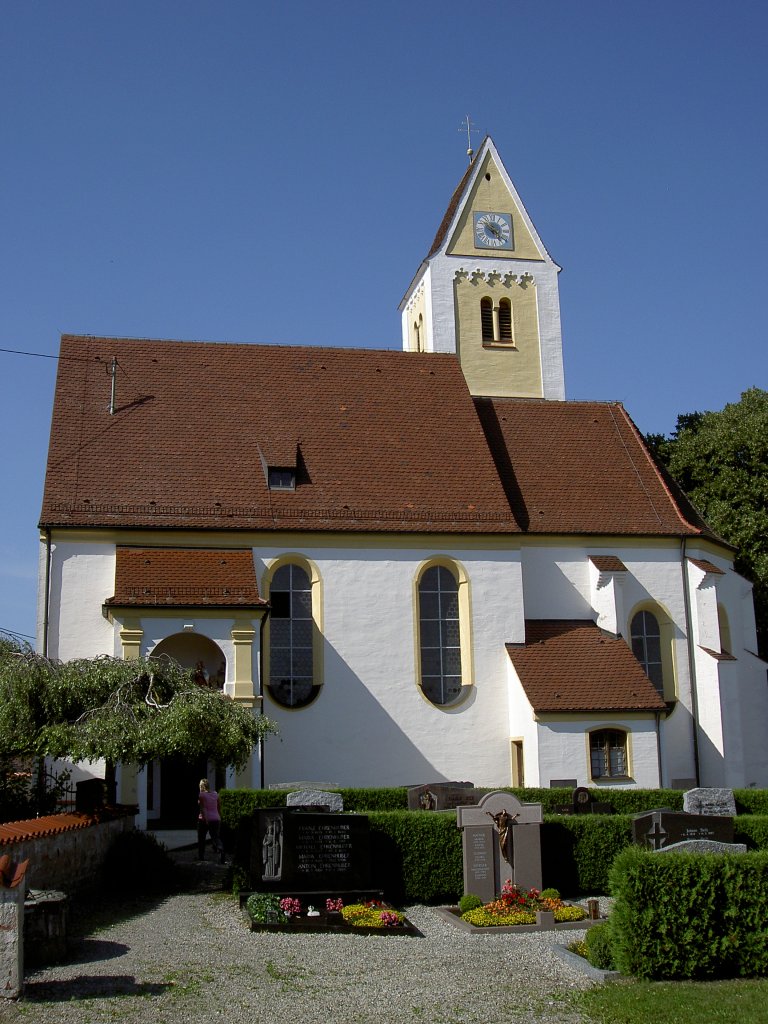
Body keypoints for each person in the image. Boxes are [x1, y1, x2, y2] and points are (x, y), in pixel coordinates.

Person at [197, 779, 225, 863]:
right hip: (216, 819)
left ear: (201, 786)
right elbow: (219, 807)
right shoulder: (216, 794)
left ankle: (201, 856)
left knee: (201, 838)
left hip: (204, 819)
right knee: (215, 837)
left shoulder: (201, 795)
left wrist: (205, 819)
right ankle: (221, 849)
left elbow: (202, 808)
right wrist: (219, 817)